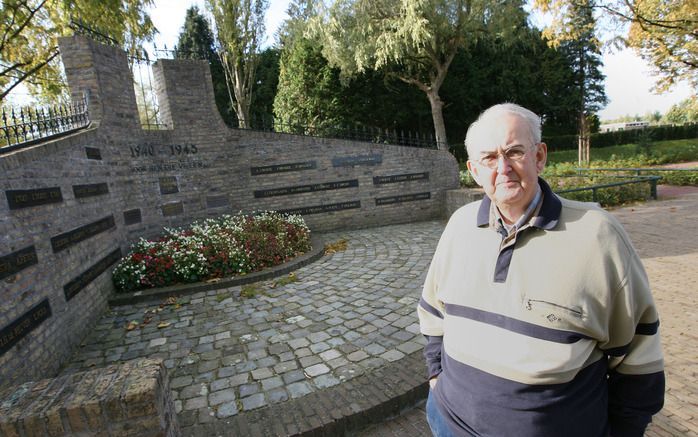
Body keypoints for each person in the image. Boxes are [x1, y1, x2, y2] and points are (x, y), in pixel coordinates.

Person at [417, 103, 665, 437]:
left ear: (539, 157)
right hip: (448, 422)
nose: (503, 168)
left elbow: (639, 355)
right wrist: (436, 377)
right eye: (489, 158)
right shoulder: (459, 225)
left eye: (514, 152)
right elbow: (433, 312)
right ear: (474, 170)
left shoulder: (597, 235)